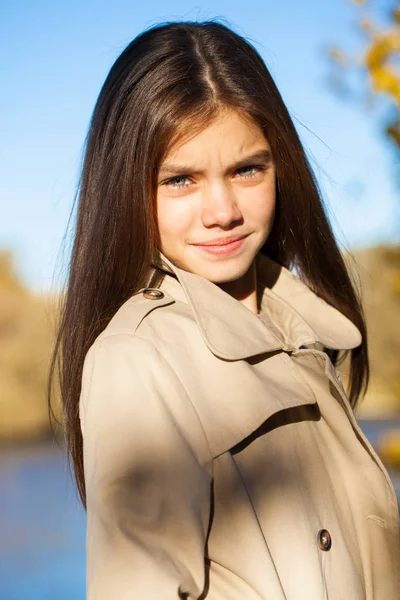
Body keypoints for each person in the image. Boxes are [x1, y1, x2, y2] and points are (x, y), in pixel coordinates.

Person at [48, 19, 400, 599]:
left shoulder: (301, 333)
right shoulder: (137, 360)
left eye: (247, 169)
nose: (222, 210)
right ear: (127, 189)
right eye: (180, 180)